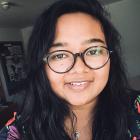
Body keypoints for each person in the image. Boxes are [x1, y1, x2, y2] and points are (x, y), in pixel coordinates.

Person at [0, 0, 140, 140]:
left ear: (110, 57)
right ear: (41, 66)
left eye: (93, 51)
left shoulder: (136, 110)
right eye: (60, 55)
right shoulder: (16, 133)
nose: (79, 68)